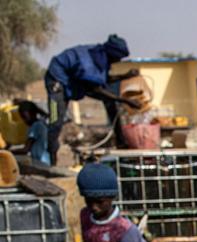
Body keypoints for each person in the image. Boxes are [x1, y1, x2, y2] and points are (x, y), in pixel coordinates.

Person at [44, 34, 141, 165]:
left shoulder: (101, 57)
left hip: (76, 82)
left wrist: (126, 76)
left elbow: (103, 80)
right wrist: (126, 101)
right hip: (57, 81)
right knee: (56, 120)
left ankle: (121, 142)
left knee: (111, 102)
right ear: (113, 54)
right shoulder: (88, 64)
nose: (118, 61)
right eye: (118, 58)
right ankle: (52, 159)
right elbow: (96, 89)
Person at [12, 101, 51, 166]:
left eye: (25, 117)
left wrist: (8, 152)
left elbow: (26, 149)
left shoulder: (36, 126)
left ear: (32, 114)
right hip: (44, 161)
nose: (24, 121)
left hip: (40, 162)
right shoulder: (41, 124)